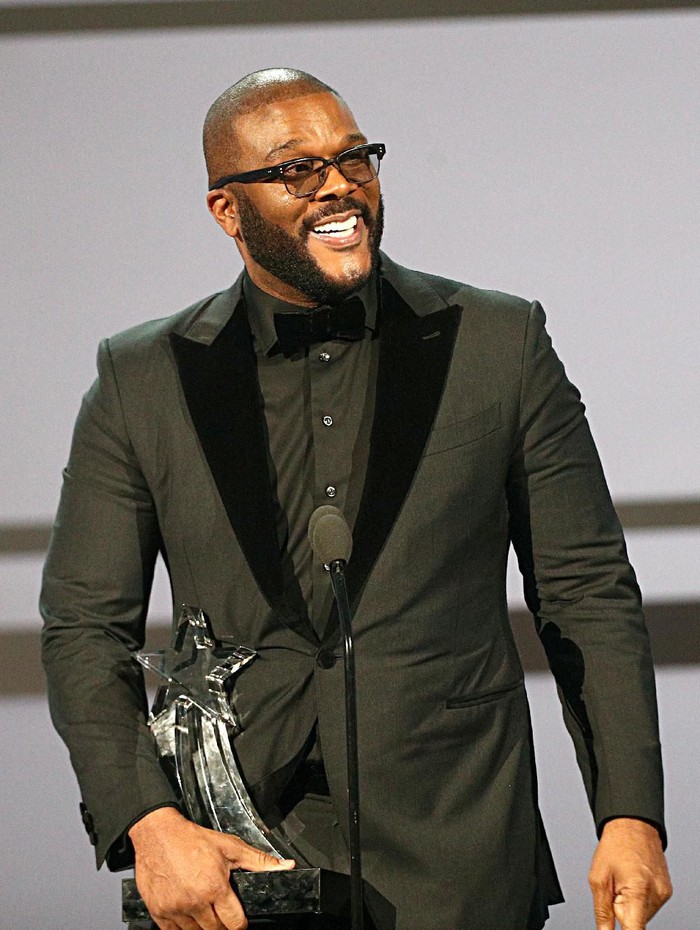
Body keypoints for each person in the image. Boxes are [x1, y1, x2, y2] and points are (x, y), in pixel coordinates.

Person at [41, 68, 672, 930]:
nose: (339, 185)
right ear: (227, 210)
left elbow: (587, 591)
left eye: (355, 159)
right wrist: (149, 825)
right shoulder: (141, 377)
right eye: (297, 169)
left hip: (459, 851)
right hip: (235, 860)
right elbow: (84, 628)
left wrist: (629, 813)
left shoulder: (498, 342)